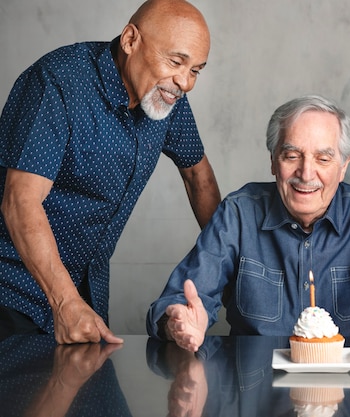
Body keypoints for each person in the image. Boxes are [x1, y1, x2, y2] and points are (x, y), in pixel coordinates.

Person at [146, 95, 350, 352]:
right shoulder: (238, 214)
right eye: (292, 155)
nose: (306, 174)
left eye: (323, 159)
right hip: (257, 399)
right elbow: (171, 306)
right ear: (272, 160)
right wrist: (178, 321)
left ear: (345, 165)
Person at [0, 0, 221, 345]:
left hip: (87, 300)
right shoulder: (57, 82)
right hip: (13, 293)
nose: (186, 82)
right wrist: (66, 302)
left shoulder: (167, 93)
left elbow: (198, 177)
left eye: (196, 70)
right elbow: (20, 201)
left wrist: (232, 270)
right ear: (131, 40)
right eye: (177, 61)